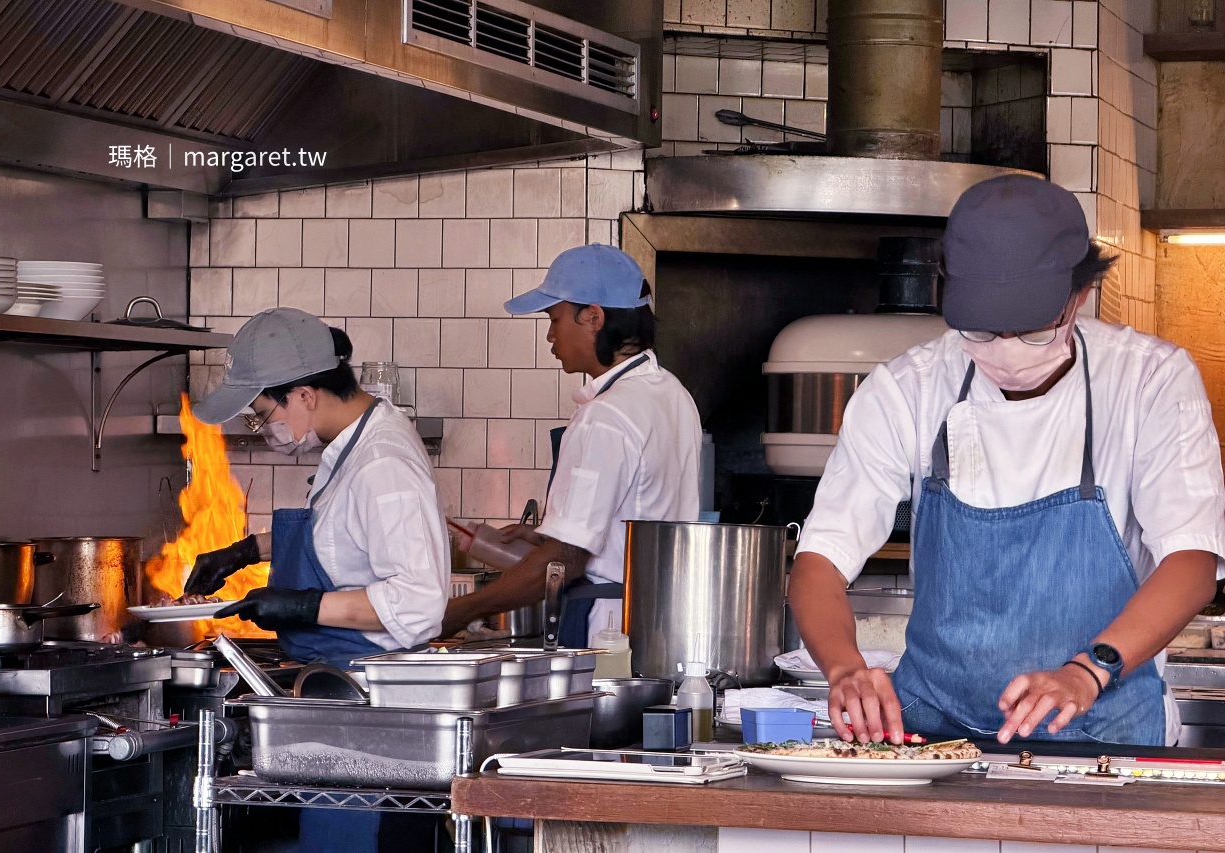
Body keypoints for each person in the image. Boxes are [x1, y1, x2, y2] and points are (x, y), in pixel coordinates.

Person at [790, 175, 1225, 748]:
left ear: (1079, 296)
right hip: (934, 744)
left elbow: (1192, 562)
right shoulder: (908, 389)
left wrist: (1087, 670)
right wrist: (845, 669)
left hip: (1109, 742)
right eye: (981, 331)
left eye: (1032, 332)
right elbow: (818, 562)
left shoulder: (1148, 381)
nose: (1004, 351)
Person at [186, 307, 449, 852]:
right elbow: (341, 538)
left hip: (374, 719)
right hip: (343, 703)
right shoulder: (350, 445)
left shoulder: (383, 463)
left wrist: (302, 607)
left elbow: (420, 601)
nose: (265, 428)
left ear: (305, 394)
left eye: (262, 413)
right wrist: (247, 551)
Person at [440, 244, 702, 647]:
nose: (550, 334)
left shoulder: (607, 414)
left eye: (555, 318)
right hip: (660, 622)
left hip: (608, 628)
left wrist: (464, 609)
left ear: (593, 317)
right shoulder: (672, 393)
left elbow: (566, 560)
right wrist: (548, 536)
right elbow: (634, 514)